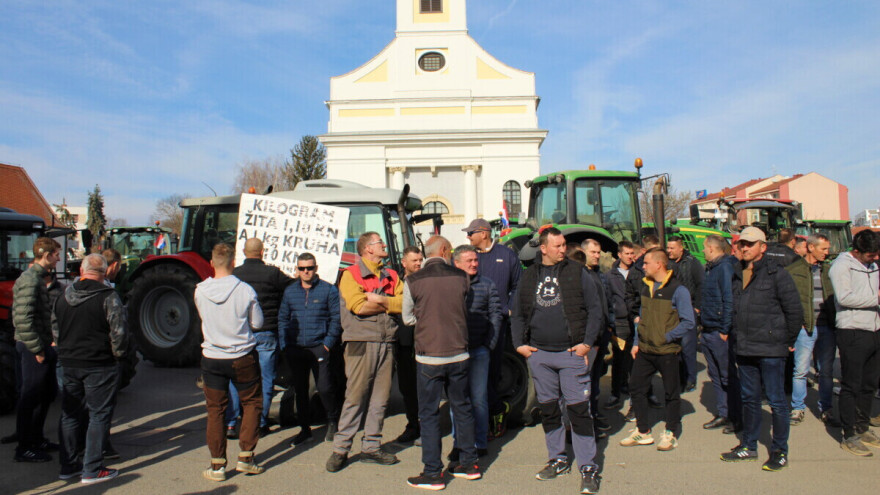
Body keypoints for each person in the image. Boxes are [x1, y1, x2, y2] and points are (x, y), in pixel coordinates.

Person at [511, 228, 603, 494]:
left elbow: (595, 309)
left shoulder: (577, 272)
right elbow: (517, 312)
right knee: (549, 410)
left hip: (571, 353)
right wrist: (519, 345)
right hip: (540, 355)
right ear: (543, 248)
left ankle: (588, 467)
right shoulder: (530, 275)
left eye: (564, 245)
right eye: (557, 246)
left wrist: (587, 344)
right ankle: (558, 459)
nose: (563, 249)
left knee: (579, 411)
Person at [402, 236, 482, 490]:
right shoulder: (461, 278)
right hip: (458, 352)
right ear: (445, 251)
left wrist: (426, 320)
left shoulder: (413, 280)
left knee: (428, 413)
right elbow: (464, 308)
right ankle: (469, 464)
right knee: (463, 407)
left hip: (429, 355)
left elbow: (407, 318)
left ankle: (433, 472)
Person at [720, 227, 801, 471]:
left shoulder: (777, 274)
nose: (744, 248)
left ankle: (780, 451)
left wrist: (787, 341)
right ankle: (749, 445)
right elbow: (734, 307)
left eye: (750, 244)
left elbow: (794, 310)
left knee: (776, 401)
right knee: (750, 399)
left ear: (763, 247)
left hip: (771, 349)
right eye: (742, 244)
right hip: (745, 348)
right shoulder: (737, 273)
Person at [327, 232, 403, 472]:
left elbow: (405, 303)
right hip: (360, 342)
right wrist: (389, 303)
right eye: (380, 242)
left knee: (380, 399)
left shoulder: (391, 274)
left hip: (387, 342)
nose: (384, 245)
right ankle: (341, 449)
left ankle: (371, 447)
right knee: (355, 397)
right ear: (368, 248)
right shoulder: (350, 274)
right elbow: (358, 307)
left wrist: (379, 301)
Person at [53, 254, 128, 484]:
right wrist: (118, 355)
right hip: (99, 363)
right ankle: (92, 468)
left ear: (82, 271)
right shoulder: (108, 297)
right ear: (104, 272)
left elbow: (55, 329)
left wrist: (64, 350)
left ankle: (68, 465)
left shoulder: (63, 296)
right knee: (99, 415)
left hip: (68, 362)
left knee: (69, 414)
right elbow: (119, 332)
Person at [194, 243, 265, 482]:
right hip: (242, 355)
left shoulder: (200, 290)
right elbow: (257, 323)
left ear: (211, 263)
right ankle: (246, 457)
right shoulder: (245, 290)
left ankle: (217, 465)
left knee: (215, 410)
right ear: (233, 262)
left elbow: (203, 317)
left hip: (212, 356)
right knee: (251, 403)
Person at [620, 248, 695, 452]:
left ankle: (670, 432)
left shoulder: (678, 290)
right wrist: (637, 342)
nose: (642, 266)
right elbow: (642, 318)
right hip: (645, 349)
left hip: (667, 351)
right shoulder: (646, 287)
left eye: (646, 263)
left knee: (671, 393)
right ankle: (642, 431)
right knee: (636, 388)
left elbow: (689, 321)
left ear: (659, 264)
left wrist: (668, 336)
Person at [225, 238, 293, 439]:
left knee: (236, 378)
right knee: (265, 379)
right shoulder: (272, 273)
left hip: (240, 333)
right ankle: (261, 423)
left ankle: (232, 423)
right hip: (267, 331)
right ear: (262, 252)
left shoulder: (234, 275)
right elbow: (293, 286)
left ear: (243, 252)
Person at [464, 218, 521, 439]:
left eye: (471, 233)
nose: (468, 237)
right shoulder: (470, 257)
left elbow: (517, 284)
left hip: (498, 323)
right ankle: (487, 416)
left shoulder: (507, 255)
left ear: (484, 233)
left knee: (492, 371)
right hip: (473, 322)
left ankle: (493, 415)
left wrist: (509, 309)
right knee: (475, 373)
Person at [278, 252, 341, 446]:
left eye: (310, 268)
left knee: (325, 387)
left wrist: (327, 344)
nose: (306, 271)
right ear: (297, 269)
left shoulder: (328, 290)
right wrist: (285, 345)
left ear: (316, 268)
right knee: (300, 390)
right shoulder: (290, 292)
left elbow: (336, 318)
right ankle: (304, 429)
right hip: (296, 348)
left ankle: (333, 421)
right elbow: (283, 319)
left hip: (318, 347)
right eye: (302, 268)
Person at [829, 230, 880, 456]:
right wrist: (876, 298)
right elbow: (844, 297)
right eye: (870, 255)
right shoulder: (841, 266)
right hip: (852, 331)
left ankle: (863, 426)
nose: (874, 258)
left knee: (870, 383)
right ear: (857, 251)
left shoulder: (872, 265)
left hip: (874, 329)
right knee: (852, 384)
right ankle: (849, 434)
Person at [449, 244, 502, 460]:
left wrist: (489, 344)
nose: (474, 264)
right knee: (457, 400)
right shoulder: (449, 285)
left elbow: (495, 315)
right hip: (455, 352)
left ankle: (480, 442)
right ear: (457, 263)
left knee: (479, 400)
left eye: (475, 260)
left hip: (479, 351)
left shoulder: (487, 285)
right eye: (469, 261)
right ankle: (459, 443)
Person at [12, 237, 61, 463]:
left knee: (46, 394)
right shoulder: (30, 281)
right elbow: (23, 320)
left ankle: (37, 439)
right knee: (30, 397)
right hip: (33, 347)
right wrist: (38, 350)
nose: (59, 259)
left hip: (40, 345)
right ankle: (24, 447)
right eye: (57, 254)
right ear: (47, 255)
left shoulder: (38, 279)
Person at [788, 234, 838, 427]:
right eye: (823, 249)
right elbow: (788, 300)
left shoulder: (829, 271)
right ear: (810, 247)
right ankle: (797, 408)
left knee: (826, 371)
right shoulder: (794, 270)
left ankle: (826, 409)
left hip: (827, 327)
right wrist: (795, 324)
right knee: (800, 371)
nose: (827, 252)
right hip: (805, 329)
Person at [699, 235, 741, 434]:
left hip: (719, 331)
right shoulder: (711, 268)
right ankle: (724, 413)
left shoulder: (724, 267)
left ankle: (736, 417)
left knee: (727, 376)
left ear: (712, 248)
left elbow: (728, 299)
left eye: (704, 247)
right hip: (708, 328)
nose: (702, 251)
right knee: (715, 374)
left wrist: (725, 329)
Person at [581, 239, 614, 437]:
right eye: (593, 252)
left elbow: (607, 302)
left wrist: (609, 326)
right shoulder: (581, 275)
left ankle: (594, 413)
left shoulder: (599, 274)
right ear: (583, 252)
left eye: (598, 252)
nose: (597, 256)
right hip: (589, 340)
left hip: (602, 336)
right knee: (587, 381)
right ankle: (588, 421)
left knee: (595, 380)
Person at [393, 246, 424, 444]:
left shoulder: (426, 280)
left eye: (420, 260)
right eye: (414, 261)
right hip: (402, 340)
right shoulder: (395, 280)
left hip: (423, 339)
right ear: (404, 262)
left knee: (424, 385)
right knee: (407, 385)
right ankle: (413, 423)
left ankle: (426, 424)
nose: (418, 264)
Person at [666, 235, 703, 393]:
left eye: (672, 248)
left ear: (681, 248)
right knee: (676, 348)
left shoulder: (692, 263)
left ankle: (690, 379)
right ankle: (679, 379)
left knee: (688, 347)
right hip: (672, 311)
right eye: (668, 247)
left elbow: (701, 285)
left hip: (689, 309)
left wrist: (697, 308)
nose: (669, 251)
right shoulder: (667, 263)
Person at [606, 241, 637, 411]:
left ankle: (637, 394)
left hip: (635, 322)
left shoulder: (638, 272)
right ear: (619, 255)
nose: (630, 257)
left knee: (636, 360)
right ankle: (615, 394)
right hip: (620, 323)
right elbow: (608, 299)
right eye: (627, 253)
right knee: (619, 359)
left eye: (632, 253)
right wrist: (612, 321)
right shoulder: (610, 276)